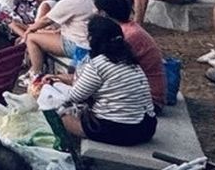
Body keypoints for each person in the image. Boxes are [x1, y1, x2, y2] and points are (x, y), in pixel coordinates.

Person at [38, 14, 158, 145]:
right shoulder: (130, 61)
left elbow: (74, 96)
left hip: (123, 130)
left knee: (55, 110)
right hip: (147, 127)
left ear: (92, 39)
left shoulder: (99, 64)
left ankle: (67, 146)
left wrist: (49, 87)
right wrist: (58, 81)